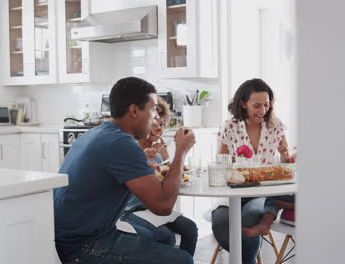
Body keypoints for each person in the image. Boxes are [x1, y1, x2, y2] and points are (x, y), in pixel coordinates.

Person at [53, 77, 196, 264]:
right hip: (84, 246)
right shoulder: (121, 143)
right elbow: (163, 206)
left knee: (163, 238)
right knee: (182, 260)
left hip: (67, 238)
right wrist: (181, 152)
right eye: (152, 109)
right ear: (134, 110)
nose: (156, 117)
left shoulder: (97, 133)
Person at [211, 78, 294, 264]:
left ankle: (244, 260)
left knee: (250, 217)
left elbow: (286, 165)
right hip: (232, 191)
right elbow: (220, 163)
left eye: (266, 105)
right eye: (257, 105)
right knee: (221, 222)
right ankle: (247, 259)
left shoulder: (276, 126)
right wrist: (233, 164)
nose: (263, 110)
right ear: (243, 103)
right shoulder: (230, 127)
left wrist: (283, 156)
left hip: (262, 192)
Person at [121, 96, 198, 256]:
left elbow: (167, 183)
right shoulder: (131, 150)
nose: (159, 129)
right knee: (165, 236)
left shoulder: (158, 152)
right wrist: (142, 157)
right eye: (154, 124)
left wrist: (165, 156)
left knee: (190, 228)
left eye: (161, 124)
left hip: (153, 209)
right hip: (131, 210)